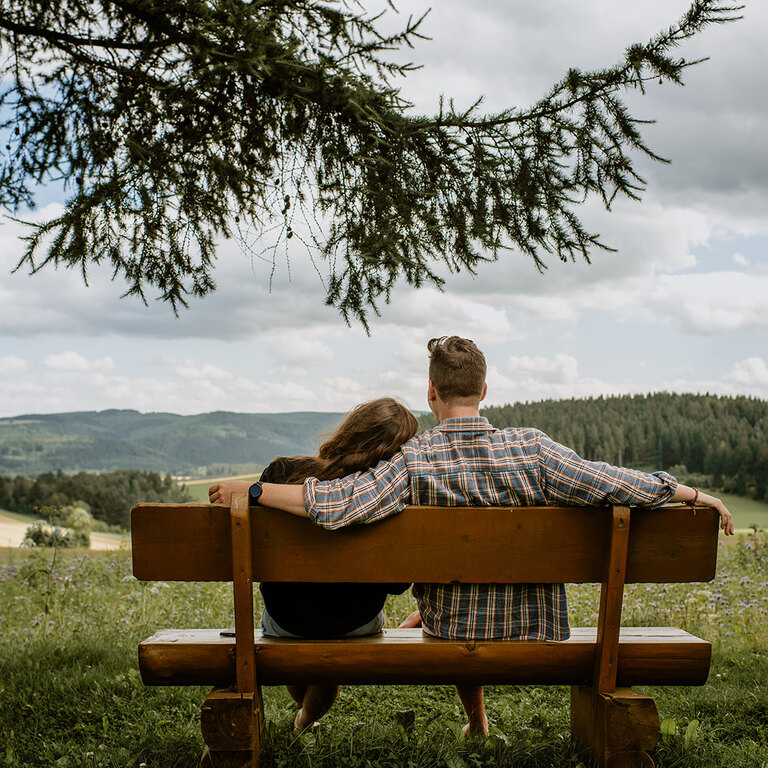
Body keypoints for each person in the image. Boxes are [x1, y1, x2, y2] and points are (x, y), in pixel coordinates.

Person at [210, 336, 734, 736]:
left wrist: (254, 492)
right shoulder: (533, 448)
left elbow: (341, 504)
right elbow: (613, 481)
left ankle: (470, 720)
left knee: (456, 603)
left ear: (431, 392)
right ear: (484, 391)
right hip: (538, 633)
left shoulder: (414, 459)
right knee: (471, 596)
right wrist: (688, 493)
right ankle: (480, 725)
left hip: (452, 630)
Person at [212, 397, 416, 732]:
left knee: (301, 638)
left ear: (350, 429)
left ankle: (303, 718)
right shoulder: (389, 500)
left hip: (285, 622)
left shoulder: (281, 473)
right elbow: (397, 586)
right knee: (330, 645)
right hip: (356, 625)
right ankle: (304, 721)